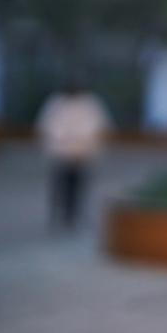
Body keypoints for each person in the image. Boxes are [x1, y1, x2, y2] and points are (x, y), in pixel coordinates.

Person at [36, 78, 112, 230]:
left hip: (82, 154)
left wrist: (86, 147)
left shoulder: (90, 104)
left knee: (79, 186)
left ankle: (75, 215)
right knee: (59, 186)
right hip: (61, 153)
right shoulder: (56, 104)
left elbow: (99, 127)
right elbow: (48, 127)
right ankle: (58, 215)